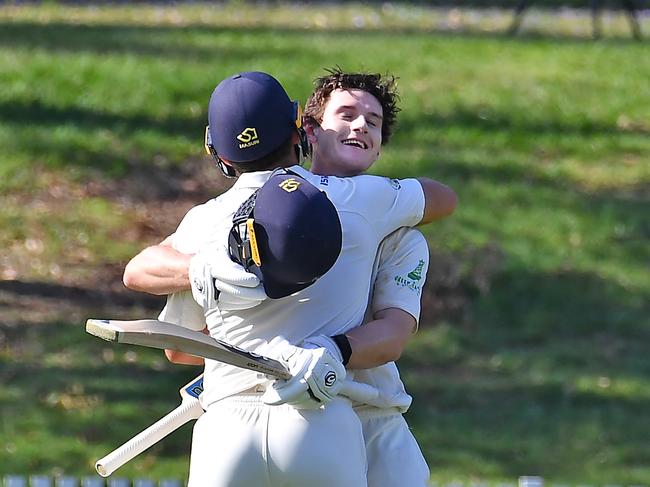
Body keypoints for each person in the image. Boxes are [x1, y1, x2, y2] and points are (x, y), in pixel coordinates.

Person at [123, 70, 456, 486]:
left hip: (247, 425)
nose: (359, 127)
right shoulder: (364, 199)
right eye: (347, 114)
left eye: (372, 121)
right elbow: (443, 197)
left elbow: (171, 333)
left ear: (218, 152)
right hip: (321, 418)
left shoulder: (207, 223)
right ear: (304, 129)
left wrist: (206, 278)